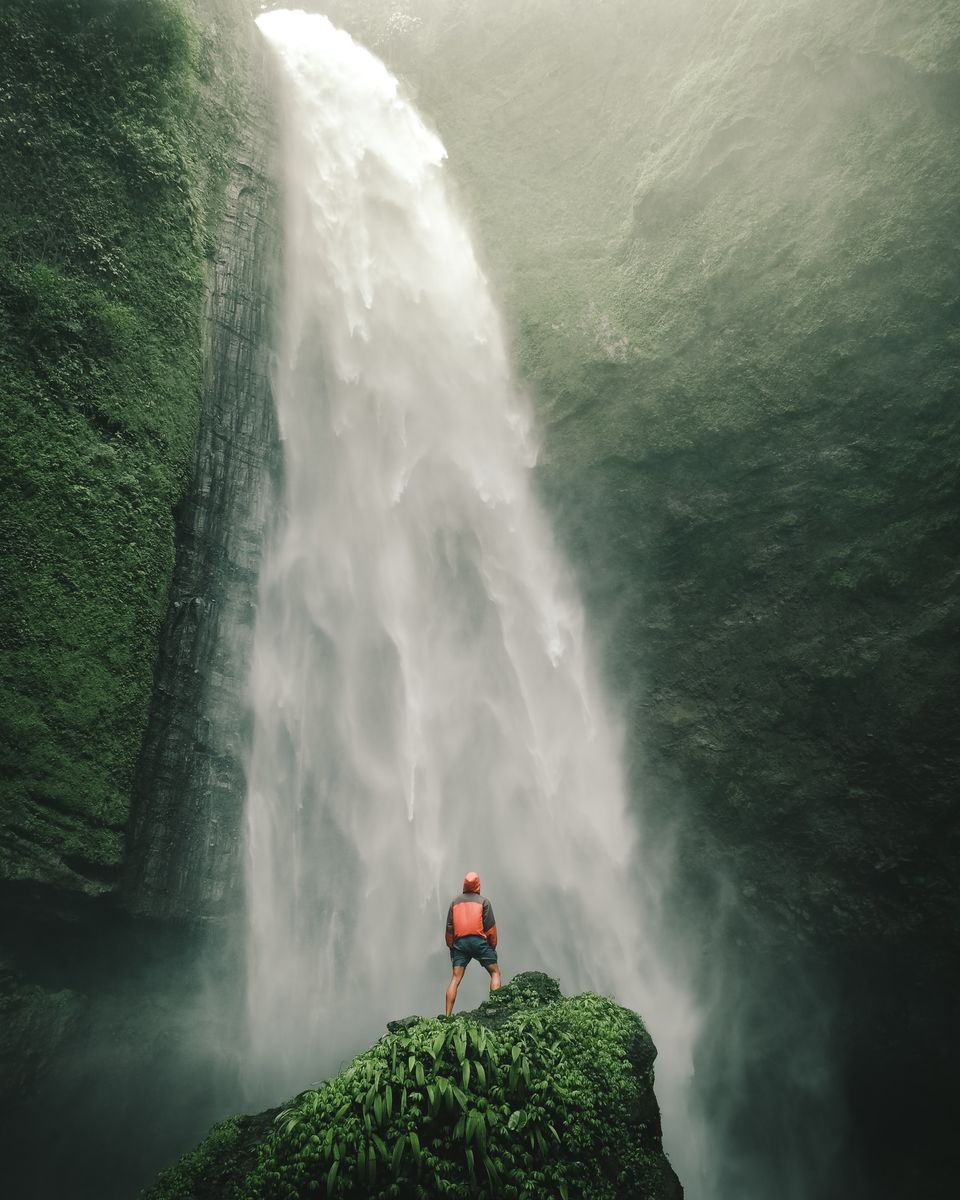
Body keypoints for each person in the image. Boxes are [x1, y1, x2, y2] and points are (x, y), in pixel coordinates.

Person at [444, 870, 501, 1015]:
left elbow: (449, 928)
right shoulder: (484, 902)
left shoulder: (454, 903)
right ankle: (495, 1008)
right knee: (495, 972)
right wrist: (492, 947)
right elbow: (490, 928)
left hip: (460, 943)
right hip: (478, 941)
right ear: (478, 885)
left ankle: (447, 1016)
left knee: (455, 978)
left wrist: (451, 946)